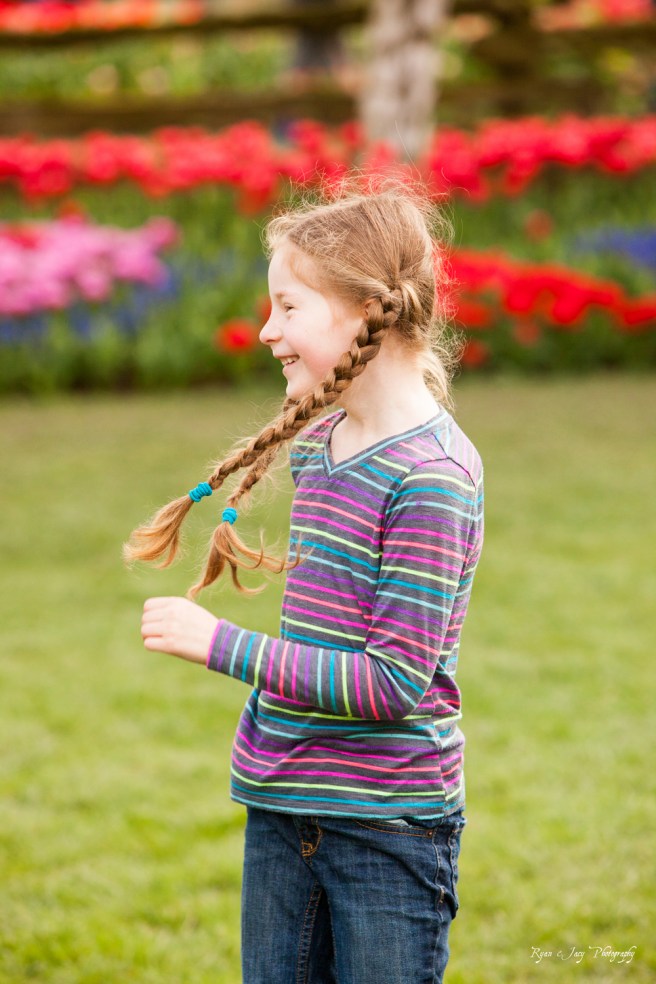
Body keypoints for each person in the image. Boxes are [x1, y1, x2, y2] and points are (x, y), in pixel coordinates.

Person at [127, 183, 485, 984]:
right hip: (283, 802)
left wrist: (224, 646)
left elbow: (394, 681)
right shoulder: (324, 445)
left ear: (366, 311)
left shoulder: (430, 477)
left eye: (288, 308)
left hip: (387, 827)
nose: (267, 331)